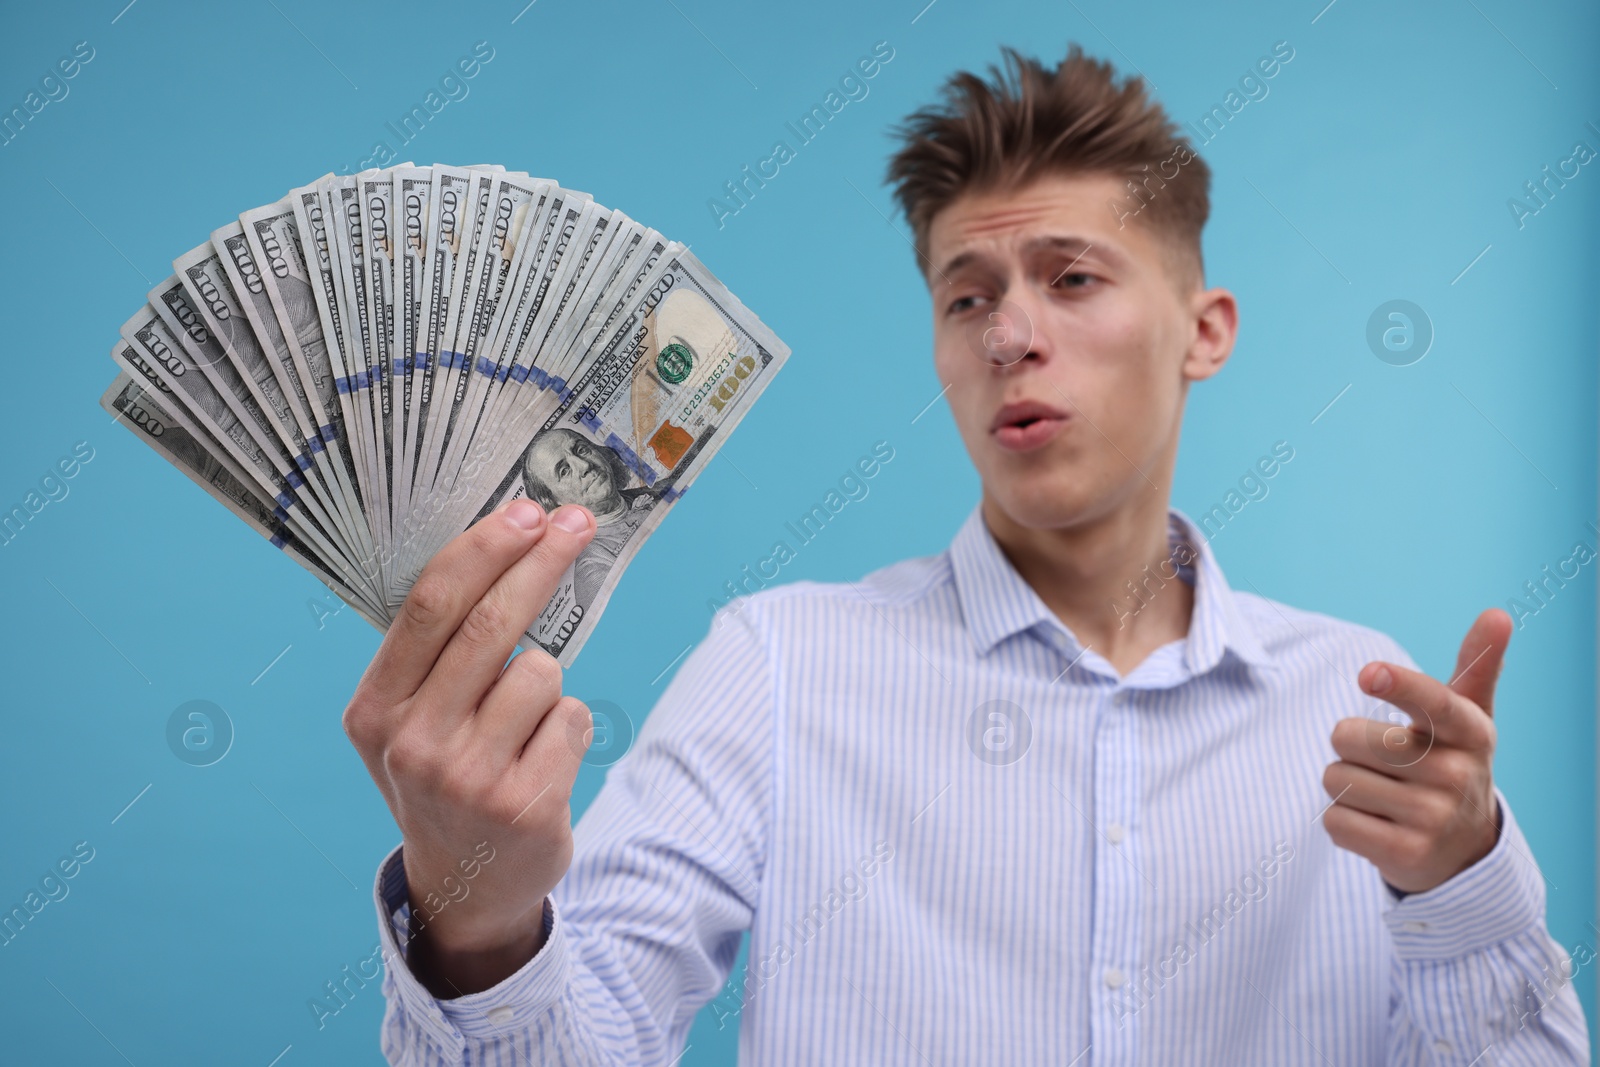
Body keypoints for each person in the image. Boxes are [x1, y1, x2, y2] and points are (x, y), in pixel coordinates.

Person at [340, 44, 1590, 1065]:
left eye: (1072, 276)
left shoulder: (1360, 707)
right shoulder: (779, 666)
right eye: (967, 294)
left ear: (1203, 330)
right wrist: (478, 914)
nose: (1010, 335)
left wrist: (1460, 887)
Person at [518, 427, 658, 608]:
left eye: (582, 450)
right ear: (555, 503)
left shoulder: (660, 491)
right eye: (564, 471)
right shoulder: (593, 569)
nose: (584, 466)